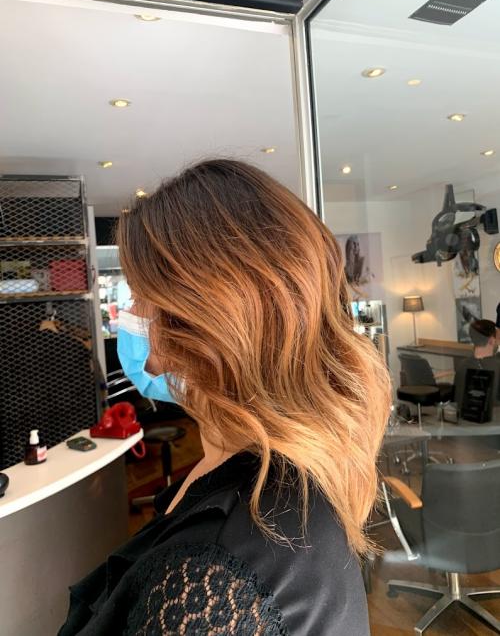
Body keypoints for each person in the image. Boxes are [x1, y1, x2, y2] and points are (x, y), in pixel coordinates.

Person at [59, 159, 391, 635]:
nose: (131, 311)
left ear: (199, 322)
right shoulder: (278, 477)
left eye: (140, 293)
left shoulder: (210, 579)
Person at [454, 319, 500, 408]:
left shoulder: (462, 365)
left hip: (465, 415)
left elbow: (457, 399)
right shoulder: (497, 366)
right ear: (491, 340)